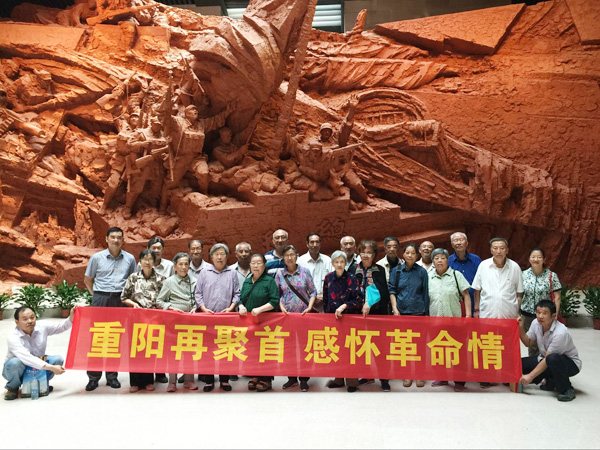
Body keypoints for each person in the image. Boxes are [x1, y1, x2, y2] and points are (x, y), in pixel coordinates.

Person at [83, 226, 136, 392]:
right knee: (97, 338)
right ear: (106, 239)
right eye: (112, 237)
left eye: (119, 237)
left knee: (115, 337)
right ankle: (93, 377)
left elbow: (133, 280)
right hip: (101, 298)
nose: (115, 240)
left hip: (120, 300)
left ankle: (112, 376)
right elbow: (88, 279)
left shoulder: (130, 259)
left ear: (123, 240)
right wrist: (97, 296)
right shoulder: (97, 258)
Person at [472, 237, 523, 389]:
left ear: (507, 250)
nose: (499, 251)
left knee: (506, 347)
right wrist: (476, 310)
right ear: (491, 250)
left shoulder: (515, 267)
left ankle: (506, 376)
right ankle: (486, 376)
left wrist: (517, 310)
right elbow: (477, 290)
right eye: (495, 248)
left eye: (502, 248)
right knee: (487, 345)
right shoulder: (483, 266)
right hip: (488, 313)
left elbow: (519, 292)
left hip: (509, 315)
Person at [3, 306, 75, 401]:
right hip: (20, 365)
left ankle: (41, 383)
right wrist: (52, 368)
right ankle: (13, 387)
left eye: (32, 317)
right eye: (25, 319)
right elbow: (27, 358)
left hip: (38, 361)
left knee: (58, 360)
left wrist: (71, 316)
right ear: (17, 322)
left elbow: (61, 327)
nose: (30, 321)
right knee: (15, 363)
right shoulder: (13, 336)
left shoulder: (42, 326)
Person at [194, 243, 240, 392]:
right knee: (208, 349)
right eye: (216, 254)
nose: (219, 257)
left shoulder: (232, 272)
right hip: (208, 317)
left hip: (226, 318)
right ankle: (209, 380)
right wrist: (203, 308)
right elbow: (198, 293)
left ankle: (224, 380)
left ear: (227, 257)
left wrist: (231, 307)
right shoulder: (204, 272)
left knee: (225, 348)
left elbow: (237, 293)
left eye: (222, 254)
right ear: (211, 257)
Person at [121, 249, 166, 391]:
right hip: (135, 319)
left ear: (154, 261)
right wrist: (133, 304)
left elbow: (165, 298)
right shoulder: (133, 278)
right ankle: (134, 382)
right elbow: (124, 297)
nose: (147, 262)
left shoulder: (161, 279)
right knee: (135, 349)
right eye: (144, 259)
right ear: (140, 261)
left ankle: (148, 381)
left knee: (149, 349)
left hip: (154, 319)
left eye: (150, 259)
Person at [519, 300, 581, 402]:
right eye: (538, 312)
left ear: (553, 316)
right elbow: (528, 343)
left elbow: (548, 358)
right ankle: (551, 379)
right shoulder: (535, 323)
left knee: (552, 359)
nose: (540, 316)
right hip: (545, 359)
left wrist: (530, 376)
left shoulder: (561, 332)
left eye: (544, 313)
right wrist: (520, 328)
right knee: (518, 365)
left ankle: (567, 389)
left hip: (569, 364)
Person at [427, 248, 471, 391]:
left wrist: (468, 316)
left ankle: (459, 380)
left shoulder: (456, 275)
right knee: (438, 350)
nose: (439, 260)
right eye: (436, 258)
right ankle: (442, 377)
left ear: (448, 260)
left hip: (454, 321)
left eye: (443, 258)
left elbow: (466, 295)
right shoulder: (428, 276)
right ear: (433, 261)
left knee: (457, 350)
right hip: (435, 321)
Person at [275, 245, 317, 392]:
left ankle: (304, 379)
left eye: (292, 254)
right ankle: (291, 378)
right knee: (289, 348)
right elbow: (276, 294)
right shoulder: (280, 274)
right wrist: (281, 307)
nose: (289, 258)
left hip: (304, 316)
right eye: (286, 255)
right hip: (287, 317)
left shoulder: (305, 272)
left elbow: (313, 292)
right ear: (283, 258)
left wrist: (310, 307)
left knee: (305, 347)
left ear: (297, 256)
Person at [352, 240, 391, 392]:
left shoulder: (379, 270)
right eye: (363, 252)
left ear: (374, 254)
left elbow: (384, 293)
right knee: (361, 346)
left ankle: (384, 379)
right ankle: (366, 375)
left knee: (379, 348)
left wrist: (370, 302)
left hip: (377, 316)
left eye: (369, 252)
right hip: (358, 316)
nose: (366, 255)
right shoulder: (353, 269)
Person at [389, 242, 429, 388]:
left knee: (419, 345)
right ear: (403, 254)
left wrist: (427, 314)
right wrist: (395, 309)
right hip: (402, 313)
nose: (410, 255)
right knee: (404, 344)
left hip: (419, 312)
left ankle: (420, 374)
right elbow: (392, 291)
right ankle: (406, 374)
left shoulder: (421, 272)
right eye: (407, 253)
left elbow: (425, 293)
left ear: (417, 255)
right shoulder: (396, 271)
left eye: (413, 253)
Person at [156, 252, 198, 392]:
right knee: (173, 353)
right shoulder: (169, 282)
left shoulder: (195, 281)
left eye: (186, 264)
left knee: (189, 352)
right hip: (173, 322)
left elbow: (198, 299)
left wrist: (195, 307)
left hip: (190, 322)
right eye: (180, 264)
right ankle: (172, 382)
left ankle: (189, 380)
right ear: (175, 267)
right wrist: (171, 308)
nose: (183, 267)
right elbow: (159, 301)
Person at [238, 253, 280, 392]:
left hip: (266, 323)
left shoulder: (269, 281)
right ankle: (255, 375)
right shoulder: (247, 281)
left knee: (265, 351)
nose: (256, 266)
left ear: (264, 265)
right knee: (252, 350)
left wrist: (260, 309)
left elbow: (274, 301)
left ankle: (266, 378)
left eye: (259, 263)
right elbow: (241, 298)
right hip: (250, 324)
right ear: (250, 265)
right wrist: (241, 306)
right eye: (253, 263)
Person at [323, 250, 363, 392]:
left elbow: (358, 300)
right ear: (332, 263)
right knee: (336, 349)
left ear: (346, 263)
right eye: (336, 262)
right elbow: (326, 299)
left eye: (342, 262)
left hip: (350, 319)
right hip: (333, 320)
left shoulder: (352, 278)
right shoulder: (328, 278)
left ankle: (352, 382)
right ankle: (338, 379)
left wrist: (344, 306)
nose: (339, 264)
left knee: (350, 350)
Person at [521, 247, 562, 356]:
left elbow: (557, 297)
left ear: (544, 259)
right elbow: (519, 295)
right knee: (532, 344)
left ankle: (546, 363)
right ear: (529, 259)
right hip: (527, 315)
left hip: (545, 315)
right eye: (533, 257)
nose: (536, 259)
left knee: (545, 342)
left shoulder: (551, 276)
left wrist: (555, 314)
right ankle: (534, 363)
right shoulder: (523, 275)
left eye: (539, 257)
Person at [448, 232, 482, 317]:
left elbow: (481, 280)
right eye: (455, 240)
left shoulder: (476, 260)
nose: (458, 243)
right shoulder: (448, 261)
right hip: (455, 302)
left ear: (466, 243)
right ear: (452, 245)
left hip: (475, 301)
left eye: (461, 240)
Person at [297, 232, 332, 313]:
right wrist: (312, 297)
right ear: (307, 244)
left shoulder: (327, 260)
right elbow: (297, 283)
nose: (315, 245)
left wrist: (324, 295)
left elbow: (333, 280)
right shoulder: (300, 261)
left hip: (325, 303)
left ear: (320, 244)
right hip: (306, 303)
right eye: (312, 242)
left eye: (317, 242)